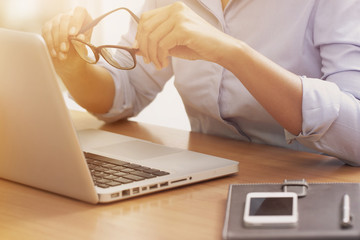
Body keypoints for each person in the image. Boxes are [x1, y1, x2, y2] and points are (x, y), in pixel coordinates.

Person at [42, 0, 360, 165]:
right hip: (209, 181)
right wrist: (73, 66)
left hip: (313, 190)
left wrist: (232, 53)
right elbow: (129, 90)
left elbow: (355, 132)